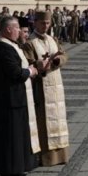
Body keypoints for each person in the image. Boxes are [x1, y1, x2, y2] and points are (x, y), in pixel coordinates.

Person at [0, 17, 39, 176]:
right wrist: (30, 71)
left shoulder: (10, 45)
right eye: (17, 28)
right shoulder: (4, 47)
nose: (19, 31)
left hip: (13, 98)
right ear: (8, 29)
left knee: (14, 135)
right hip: (8, 99)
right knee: (10, 137)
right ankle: (9, 169)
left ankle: (15, 167)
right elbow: (14, 73)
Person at [26, 13, 71, 166]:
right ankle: (45, 157)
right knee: (43, 121)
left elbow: (64, 55)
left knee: (58, 120)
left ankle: (60, 156)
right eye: (42, 23)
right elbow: (29, 62)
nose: (45, 26)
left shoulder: (53, 39)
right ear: (35, 23)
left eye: (47, 23)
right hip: (41, 86)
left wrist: (58, 60)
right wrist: (42, 64)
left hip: (56, 84)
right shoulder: (30, 42)